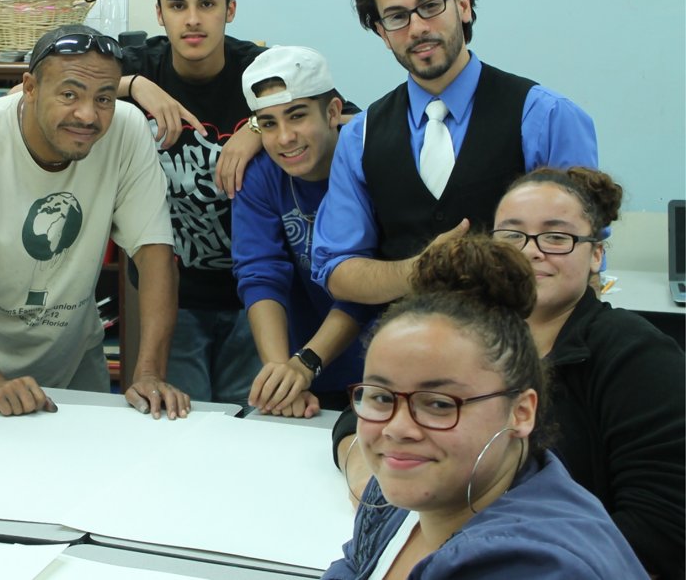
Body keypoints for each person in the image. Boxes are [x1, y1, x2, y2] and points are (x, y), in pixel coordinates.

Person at [0, 25, 188, 419]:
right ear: (29, 88)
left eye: (104, 98)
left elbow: (154, 256)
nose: (88, 115)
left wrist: (149, 373)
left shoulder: (127, 131)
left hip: (68, 356)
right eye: (69, 94)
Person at [324, 235, 644, 578]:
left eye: (438, 404)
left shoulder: (535, 568)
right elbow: (354, 566)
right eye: (382, 397)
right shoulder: (415, 487)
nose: (397, 428)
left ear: (522, 412)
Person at [313, 0, 598, 307]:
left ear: (462, 5)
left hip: (523, 353)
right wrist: (420, 270)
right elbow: (337, 269)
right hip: (405, 351)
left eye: (430, 6)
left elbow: (584, 259)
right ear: (383, 33)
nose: (417, 28)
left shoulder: (546, 117)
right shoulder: (359, 137)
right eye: (397, 17)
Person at [490, 166, 684, 577]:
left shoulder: (638, 357)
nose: (531, 251)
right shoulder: (467, 335)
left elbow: (663, 530)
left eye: (557, 237)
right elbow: (372, 409)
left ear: (597, 254)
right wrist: (359, 462)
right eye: (512, 235)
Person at [116, 0, 265, 404]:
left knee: (251, 428)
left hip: (256, 299)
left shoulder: (262, 71)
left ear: (230, 9)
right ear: (159, 13)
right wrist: (134, 86)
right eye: (177, 6)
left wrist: (261, 125)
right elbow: (45, 83)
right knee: (177, 423)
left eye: (208, 4)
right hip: (171, 299)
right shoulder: (142, 65)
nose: (193, 20)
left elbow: (338, 116)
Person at [231, 46, 375, 415]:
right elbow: (259, 273)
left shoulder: (371, 164)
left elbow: (366, 287)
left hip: (382, 372)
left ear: (332, 112)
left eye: (297, 116)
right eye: (268, 123)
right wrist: (281, 373)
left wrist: (306, 364)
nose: (285, 138)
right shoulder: (260, 174)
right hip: (308, 371)